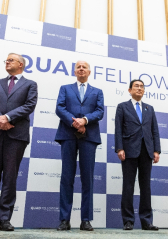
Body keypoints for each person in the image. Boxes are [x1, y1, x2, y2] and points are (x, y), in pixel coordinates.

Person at [0, 53, 38, 231]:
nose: (7, 62)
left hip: (16, 136)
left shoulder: (31, 84)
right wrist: (0, 119)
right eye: (6, 60)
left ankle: (5, 219)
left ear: (20, 64)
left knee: (10, 178)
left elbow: (29, 105)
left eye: (10, 60)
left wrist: (8, 117)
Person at [55, 60, 104, 231]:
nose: (81, 69)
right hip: (68, 135)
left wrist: (85, 120)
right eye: (78, 67)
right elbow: (59, 108)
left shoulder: (97, 91)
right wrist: (74, 122)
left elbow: (100, 111)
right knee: (66, 177)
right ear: (75, 71)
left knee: (87, 179)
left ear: (89, 72)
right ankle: (64, 219)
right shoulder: (65, 88)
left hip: (89, 136)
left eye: (84, 67)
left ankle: (86, 220)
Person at [114, 79, 161, 231]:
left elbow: (155, 131)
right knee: (128, 186)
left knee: (145, 187)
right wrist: (119, 148)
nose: (139, 89)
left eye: (142, 87)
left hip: (147, 151)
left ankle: (146, 221)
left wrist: (156, 150)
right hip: (128, 150)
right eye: (136, 86)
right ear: (130, 90)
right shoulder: (122, 107)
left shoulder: (150, 108)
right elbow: (118, 129)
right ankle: (128, 221)